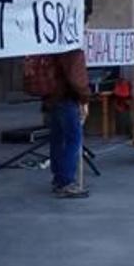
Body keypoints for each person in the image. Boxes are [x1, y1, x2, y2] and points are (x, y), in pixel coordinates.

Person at [43, 47, 92, 198]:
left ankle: (59, 178)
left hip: (53, 95)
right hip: (67, 97)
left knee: (58, 138)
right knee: (73, 139)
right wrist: (85, 97)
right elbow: (76, 77)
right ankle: (65, 182)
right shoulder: (72, 48)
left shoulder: (55, 43)